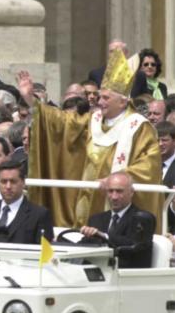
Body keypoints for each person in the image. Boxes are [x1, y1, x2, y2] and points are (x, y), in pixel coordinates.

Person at [18, 48, 161, 228]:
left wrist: (117, 180)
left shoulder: (139, 127)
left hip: (117, 202)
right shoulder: (93, 120)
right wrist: (31, 100)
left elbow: (149, 165)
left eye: (106, 98)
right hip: (86, 199)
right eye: (100, 97)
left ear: (123, 102)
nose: (99, 102)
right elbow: (61, 123)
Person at [0, 160, 53, 244]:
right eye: (3, 182)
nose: (8, 186)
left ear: (23, 183)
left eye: (13, 181)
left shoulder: (39, 215)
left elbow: (43, 253)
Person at [80, 172, 155, 268]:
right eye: (110, 191)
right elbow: (84, 245)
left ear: (131, 192)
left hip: (128, 276)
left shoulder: (143, 219)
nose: (114, 197)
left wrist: (103, 236)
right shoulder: (96, 219)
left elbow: (134, 245)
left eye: (119, 191)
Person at [156, 121, 175, 233]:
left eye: (164, 140)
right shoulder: (148, 165)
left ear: (174, 141)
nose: (160, 144)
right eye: (157, 140)